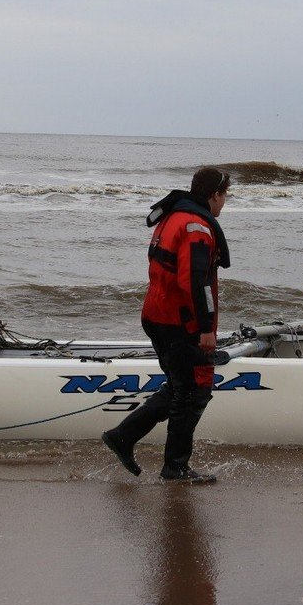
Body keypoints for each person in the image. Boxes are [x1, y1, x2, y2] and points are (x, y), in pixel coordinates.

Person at [103, 167, 231, 483]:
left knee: (179, 387)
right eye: (225, 196)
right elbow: (196, 282)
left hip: (156, 315)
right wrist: (204, 328)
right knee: (194, 391)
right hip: (179, 322)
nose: (225, 203)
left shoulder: (172, 216)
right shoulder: (197, 227)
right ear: (215, 195)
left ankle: (123, 436)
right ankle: (175, 467)